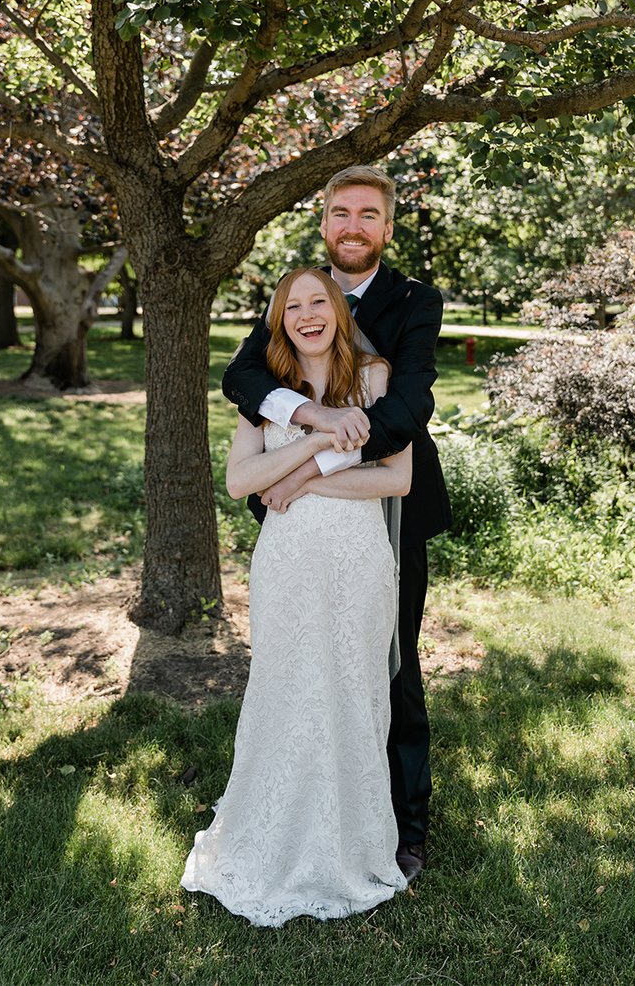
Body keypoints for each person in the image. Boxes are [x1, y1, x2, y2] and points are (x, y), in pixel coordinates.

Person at [219, 164, 450, 882]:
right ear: (324, 224)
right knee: (302, 662)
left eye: (368, 215)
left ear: (386, 226)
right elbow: (242, 380)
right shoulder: (296, 297)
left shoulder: (414, 302)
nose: (353, 227)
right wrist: (311, 417)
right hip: (299, 526)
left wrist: (305, 470)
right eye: (340, 214)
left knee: (391, 661)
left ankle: (402, 827)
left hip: (390, 508)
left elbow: (405, 409)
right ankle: (304, 801)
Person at [182, 266, 412, 926]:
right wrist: (317, 437)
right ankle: (271, 838)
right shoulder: (265, 391)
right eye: (292, 307)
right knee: (286, 689)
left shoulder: (374, 378)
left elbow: (394, 479)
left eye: (319, 302)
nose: (307, 315)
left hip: (357, 556)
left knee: (350, 687)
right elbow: (240, 480)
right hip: (286, 563)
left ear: (339, 311)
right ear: (278, 320)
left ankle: (353, 849)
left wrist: (302, 484)